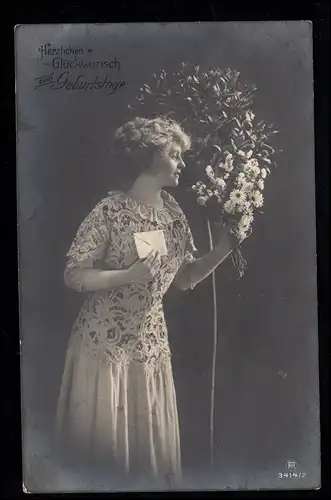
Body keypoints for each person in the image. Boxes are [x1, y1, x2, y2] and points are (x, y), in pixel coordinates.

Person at [55, 117, 239, 489]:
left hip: (151, 347)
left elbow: (185, 278)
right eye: (175, 155)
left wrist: (222, 251)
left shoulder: (173, 215)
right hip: (104, 347)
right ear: (151, 158)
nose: (182, 164)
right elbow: (74, 274)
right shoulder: (111, 210)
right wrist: (127, 276)